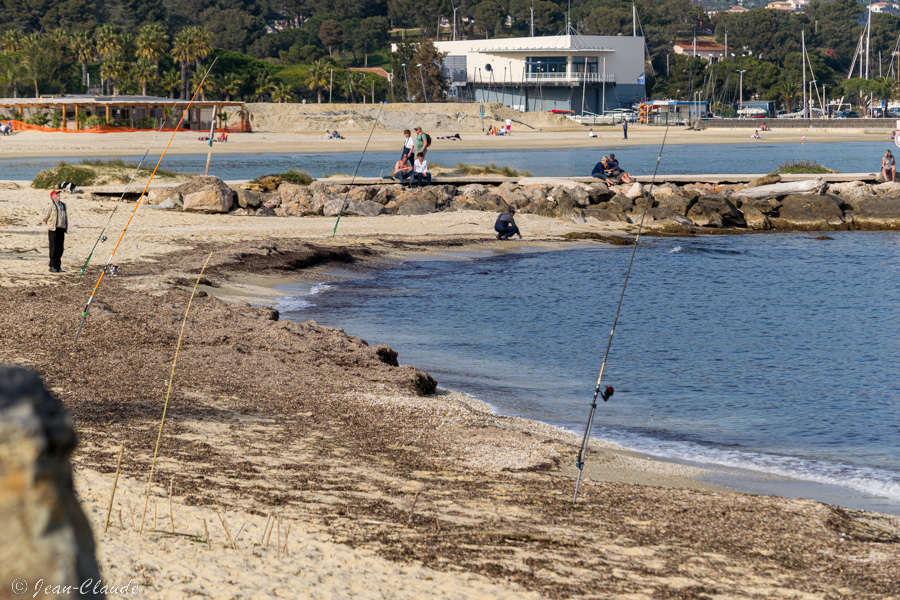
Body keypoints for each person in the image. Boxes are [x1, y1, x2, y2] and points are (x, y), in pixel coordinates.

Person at [42, 190, 68, 273]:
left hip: (62, 228)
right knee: (53, 248)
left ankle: (58, 266)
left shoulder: (63, 205)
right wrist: (49, 225)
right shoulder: (50, 205)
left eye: (58, 193)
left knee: (60, 248)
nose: (58, 195)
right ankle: (52, 266)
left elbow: (65, 216)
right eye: (56, 194)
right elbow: (45, 217)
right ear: (52, 196)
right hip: (53, 229)